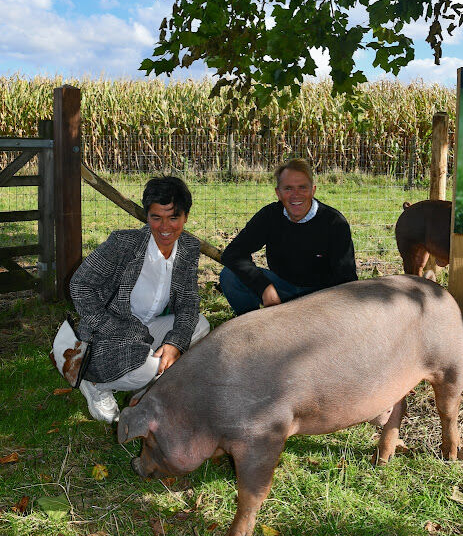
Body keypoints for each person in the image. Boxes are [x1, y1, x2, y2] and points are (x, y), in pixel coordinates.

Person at [70, 176, 210, 423]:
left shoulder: (188, 247)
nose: (164, 227)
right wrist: (115, 328)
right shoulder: (124, 244)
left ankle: (147, 377)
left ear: (185, 217)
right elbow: (80, 285)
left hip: (147, 328)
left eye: (173, 217)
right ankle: (94, 382)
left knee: (200, 325)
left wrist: (175, 343)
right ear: (147, 216)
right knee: (146, 369)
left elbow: (188, 301)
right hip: (106, 333)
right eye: (156, 217)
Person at [219, 158, 357, 315]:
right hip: (281, 290)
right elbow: (232, 254)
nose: (295, 195)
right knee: (229, 276)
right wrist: (264, 286)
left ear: (313, 190)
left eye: (302, 188)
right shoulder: (269, 216)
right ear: (278, 193)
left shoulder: (334, 222)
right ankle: (254, 325)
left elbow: (346, 279)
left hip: (321, 297)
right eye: (288, 189)